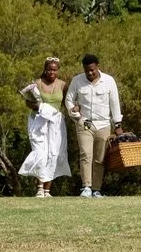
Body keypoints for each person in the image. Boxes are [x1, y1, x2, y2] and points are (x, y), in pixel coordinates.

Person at [64, 54, 123, 198]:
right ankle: (86, 187)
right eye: (87, 70)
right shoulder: (77, 80)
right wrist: (74, 113)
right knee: (85, 154)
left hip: (103, 124)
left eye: (92, 70)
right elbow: (69, 100)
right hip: (85, 123)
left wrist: (117, 124)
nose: (90, 73)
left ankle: (96, 189)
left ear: (97, 66)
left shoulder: (108, 81)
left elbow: (114, 103)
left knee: (99, 158)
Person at [17, 57, 71, 197]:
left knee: (53, 153)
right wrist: (40, 107)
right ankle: (40, 188)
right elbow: (28, 103)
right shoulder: (37, 83)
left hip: (55, 123)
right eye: (49, 69)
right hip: (39, 121)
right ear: (45, 69)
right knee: (41, 153)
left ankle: (47, 190)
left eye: (54, 70)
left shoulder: (63, 85)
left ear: (57, 70)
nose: (52, 72)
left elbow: (68, 103)